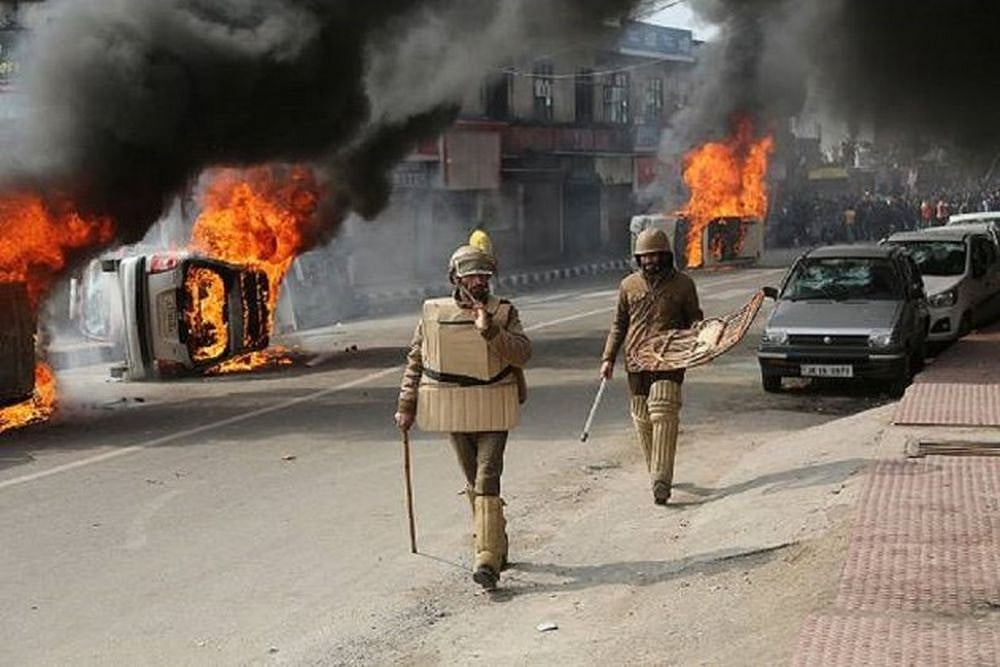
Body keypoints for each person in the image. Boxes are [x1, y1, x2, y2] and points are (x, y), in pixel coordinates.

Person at [394, 242, 531, 591]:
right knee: (473, 480)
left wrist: (490, 330)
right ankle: (496, 540)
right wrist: (406, 405)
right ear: (456, 279)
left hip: (494, 402)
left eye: (484, 276)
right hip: (452, 405)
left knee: (487, 475)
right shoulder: (433, 315)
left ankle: (486, 559)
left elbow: (522, 354)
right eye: (472, 276)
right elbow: (416, 360)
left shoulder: (503, 312)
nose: (479, 282)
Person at [600, 228, 703, 505]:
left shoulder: (683, 285)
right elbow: (619, 325)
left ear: (666, 255)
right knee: (642, 417)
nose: (651, 261)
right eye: (646, 257)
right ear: (638, 258)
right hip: (636, 362)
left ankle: (662, 480)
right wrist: (608, 358)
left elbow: (695, 319)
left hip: (670, 358)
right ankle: (655, 472)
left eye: (656, 255)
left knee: (664, 410)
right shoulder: (628, 286)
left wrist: (700, 338)